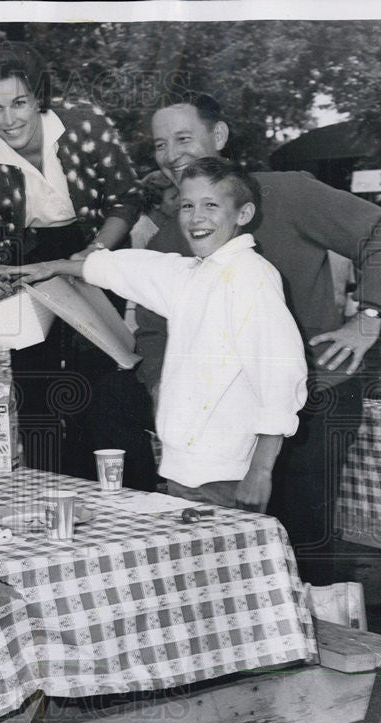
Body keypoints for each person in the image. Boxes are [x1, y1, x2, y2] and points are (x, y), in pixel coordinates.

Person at [136, 94, 381, 583]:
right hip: (225, 422)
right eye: (160, 144)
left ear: (218, 138)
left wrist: (367, 320)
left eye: (183, 137)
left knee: (303, 545)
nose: (171, 153)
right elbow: (153, 331)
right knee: (231, 552)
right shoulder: (169, 235)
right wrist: (160, 384)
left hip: (316, 397)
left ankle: (320, 641)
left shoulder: (288, 192)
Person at [17, 158, 307, 510]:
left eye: (210, 205)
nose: (195, 216)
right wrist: (57, 265)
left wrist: (260, 471)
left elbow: (280, 374)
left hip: (229, 474)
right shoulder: (194, 274)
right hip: (184, 469)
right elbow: (129, 268)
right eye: (187, 205)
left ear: (243, 214)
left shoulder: (251, 277)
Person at [0, 41, 157, 489]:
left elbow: (126, 197)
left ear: (39, 98)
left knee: (107, 372)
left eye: (19, 103)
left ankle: (132, 493)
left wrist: (91, 256)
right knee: (37, 383)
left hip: (101, 243)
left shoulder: (85, 124)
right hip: (28, 263)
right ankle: (48, 493)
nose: (9, 119)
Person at [129, 171, 180, 249]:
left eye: (179, 195)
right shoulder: (139, 233)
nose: (179, 202)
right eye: (173, 198)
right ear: (156, 203)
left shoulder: (176, 219)